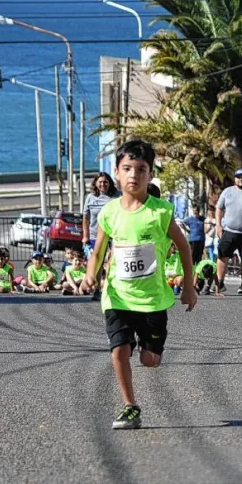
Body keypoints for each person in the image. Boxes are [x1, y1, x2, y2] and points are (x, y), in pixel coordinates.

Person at [81, 139, 197, 430]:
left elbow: (184, 248)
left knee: (149, 360)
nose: (134, 175)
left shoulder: (161, 211)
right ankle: (130, 405)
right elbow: (98, 251)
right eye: (127, 168)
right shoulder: (109, 212)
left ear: (150, 174)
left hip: (153, 299)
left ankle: (150, 347)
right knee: (118, 348)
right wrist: (89, 275)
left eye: (141, 169)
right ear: (116, 173)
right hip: (117, 295)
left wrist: (190, 287)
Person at [82, 172, 119, 257]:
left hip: (114, 237)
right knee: (96, 264)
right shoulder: (90, 197)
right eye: (100, 182)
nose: (103, 184)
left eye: (105, 182)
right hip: (95, 237)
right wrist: (85, 236)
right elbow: (86, 219)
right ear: (95, 183)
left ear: (110, 183)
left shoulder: (118, 196)